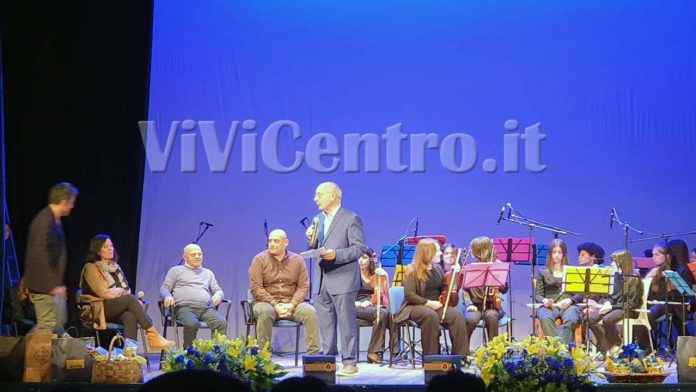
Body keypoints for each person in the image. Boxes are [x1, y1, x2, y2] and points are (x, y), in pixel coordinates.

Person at [305, 182, 365, 376]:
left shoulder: (350, 218)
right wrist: (311, 240)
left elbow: (358, 249)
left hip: (343, 279)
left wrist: (336, 254)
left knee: (346, 323)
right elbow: (314, 247)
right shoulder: (317, 219)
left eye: (319, 194)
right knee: (325, 324)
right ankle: (328, 362)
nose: (315, 199)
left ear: (333, 196)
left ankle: (350, 362)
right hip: (321, 279)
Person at [79, 234, 174, 349]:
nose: (110, 248)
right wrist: (120, 291)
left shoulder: (116, 267)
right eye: (105, 246)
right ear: (98, 251)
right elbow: (103, 293)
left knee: (130, 316)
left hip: (114, 307)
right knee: (130, 299)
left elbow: (127, 289)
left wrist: (119, 292)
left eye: (111, 246)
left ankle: (130, 355)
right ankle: (152, 334)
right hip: (98, 309)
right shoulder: (90, 268)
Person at [394, 238, 470, 357]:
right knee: (430, 315)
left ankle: (460, 356)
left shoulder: (438, 269)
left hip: (436, 305)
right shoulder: (412, 269)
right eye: (438, 250)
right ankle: (431, 358)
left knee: (456, 314)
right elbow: (410, 295)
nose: (440, 253)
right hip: (415, 306)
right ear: (428, 253)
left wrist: (455, 275)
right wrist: (428, 303)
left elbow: (445, 289)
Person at [248, 229, 320, 354]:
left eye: (276, 241)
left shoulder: (297, 260)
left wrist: (292, 305)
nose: (271, 244)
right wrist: (275, 305)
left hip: (291, 303)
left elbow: (303, 286)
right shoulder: (259, 259)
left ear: (286, 242)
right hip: (266, 303)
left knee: (310, 312)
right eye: (270, 241)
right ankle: (264, 358)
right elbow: (256, 288)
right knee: (265, 312)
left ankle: (313, 358)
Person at [22, 182, 78, 335]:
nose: (72, 206)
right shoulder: (44, 220)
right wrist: (53, 285)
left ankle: (28, 354)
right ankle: (20, 355)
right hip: (43, 285)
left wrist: (58, 284)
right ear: (64, 201)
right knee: (47, 325)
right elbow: (39, 254)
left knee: (56, 324)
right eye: (72, 202)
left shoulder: (53, 220)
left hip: (50, 284)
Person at [160, 244, 227, 348]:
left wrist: (219, 295)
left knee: (221, 322)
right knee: (192, 323)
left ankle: (217, 356)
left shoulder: (208, 273)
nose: (197, 256)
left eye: (199, 254)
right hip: (184, 308)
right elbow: (164, 288)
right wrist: (167, 296)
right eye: (193, 254)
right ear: (185, 257)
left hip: (205, 309)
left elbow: (218, 290)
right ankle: (189, 355)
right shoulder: (176, 271)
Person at [588, 250, 646, 355]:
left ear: (623, 263)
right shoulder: (615, 277)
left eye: (614, 262)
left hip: (628, 309)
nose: (611, 264)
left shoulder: (634, 279)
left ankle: (617, 344)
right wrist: (607, 303)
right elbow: (610, 296)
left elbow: (632, 304)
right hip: (615, 307)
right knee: (590, 318)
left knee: (607, 319)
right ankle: (609, 347)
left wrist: (612, 307)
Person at [534, 239, 583, 344]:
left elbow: (579, 295)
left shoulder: (572, 271)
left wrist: (570, 301)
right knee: (545, 317)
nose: (556, 255)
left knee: (572, 318)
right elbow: (538, 294)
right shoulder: (543, 272)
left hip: (568, 305)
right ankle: (558, 349)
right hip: (550, 305)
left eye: (559, 252)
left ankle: (561, 351)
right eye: (554, 252)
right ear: (550, 254)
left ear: (564, 254)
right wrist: (545, 300)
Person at [462, 236, 508, 341]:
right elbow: (465, 290)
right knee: (470, 320)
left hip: (492, 307)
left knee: (491, 317)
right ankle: (463, 352)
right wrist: (469, 304)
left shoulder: (497, 266)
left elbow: (504, 290)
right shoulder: (471, 269)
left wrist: (501, 279)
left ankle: (494, 352)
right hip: (475, 306)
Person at [356, 248, 396, 363]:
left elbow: (386, 293)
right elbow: (346, 297)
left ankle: (395, 350)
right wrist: (360, 303)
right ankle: (373, 352)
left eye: (364, 257)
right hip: (356, 305)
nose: (360, 260)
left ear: (370, 259)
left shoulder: (376, 274)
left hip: (373, 305)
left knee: (390, 313)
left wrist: (386, 276)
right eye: (359, 257)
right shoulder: (352, 274)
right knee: (381, 313)